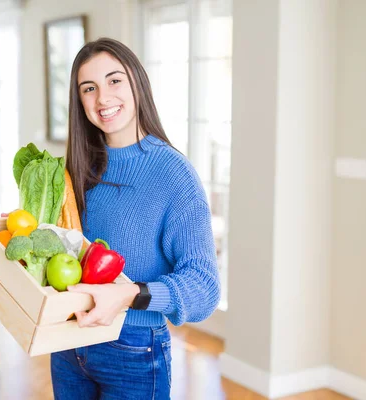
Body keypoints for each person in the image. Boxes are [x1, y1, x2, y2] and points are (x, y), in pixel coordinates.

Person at [50, 37, 221, 400]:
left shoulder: (173, 174)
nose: (102, 98)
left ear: (136, 83)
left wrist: (130, 295)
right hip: (67, 340)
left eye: (114, 81)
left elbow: (204, 288)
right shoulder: (79, 168)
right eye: (89, 88)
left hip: (133, 348)